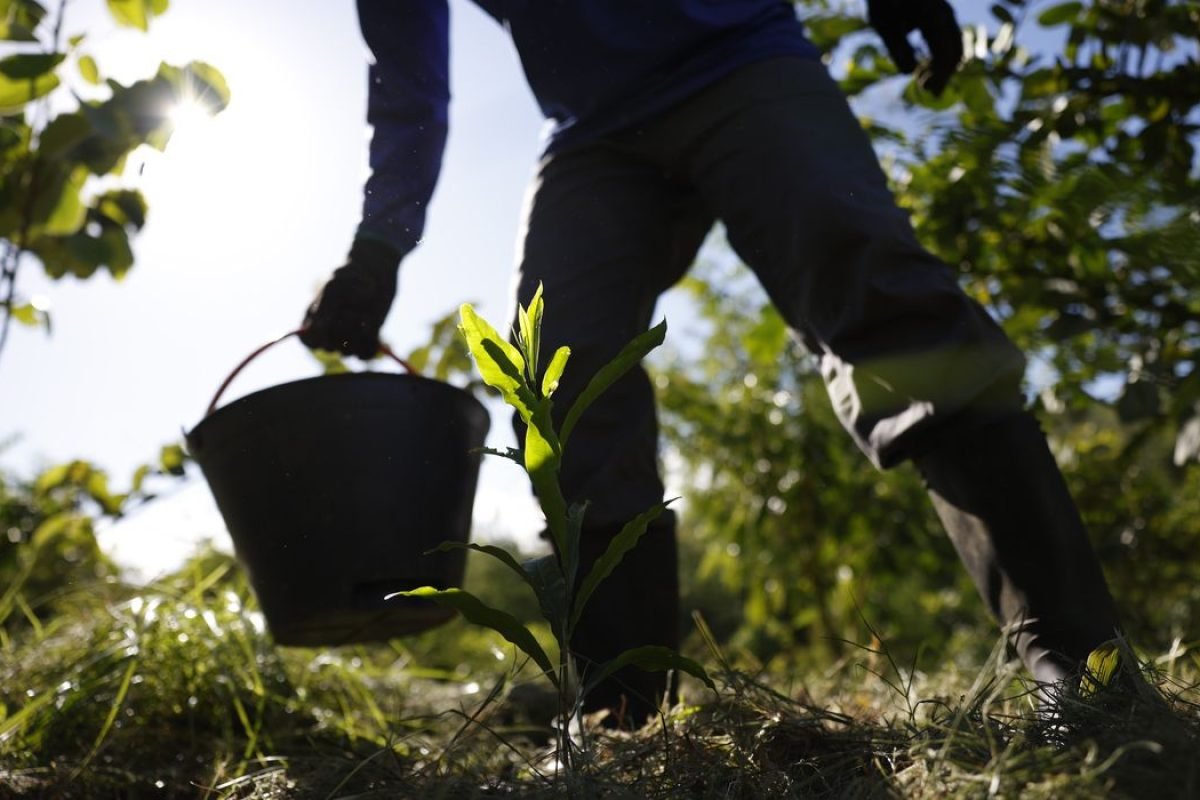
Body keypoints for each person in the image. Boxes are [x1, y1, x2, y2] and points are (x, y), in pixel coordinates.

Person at [300, 0, 1122, 727]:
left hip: (742, 53)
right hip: (591, 130)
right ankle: (622, 714)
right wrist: (376, 250)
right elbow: (407, 82)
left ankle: (1079, 667)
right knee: (558, 381)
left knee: (877, 290)